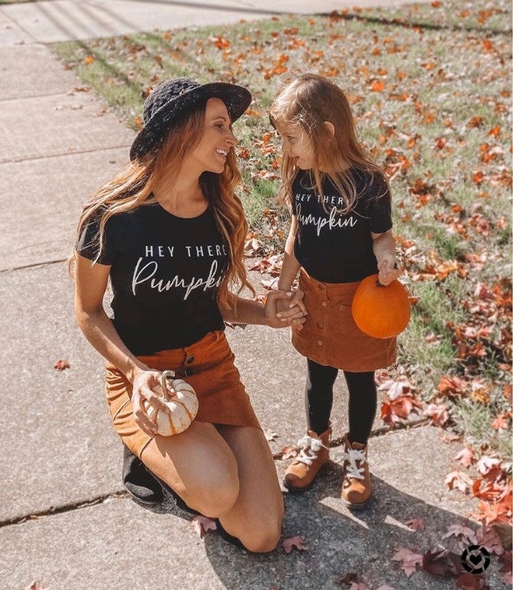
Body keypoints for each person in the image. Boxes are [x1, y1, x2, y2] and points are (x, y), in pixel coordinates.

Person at [71, 77, 306, 553]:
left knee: (261, 535)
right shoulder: (113, 217)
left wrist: (266, 313)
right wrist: (136, 375)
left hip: (213, 368)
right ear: (180, 130)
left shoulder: (220, 212)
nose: (232, 139)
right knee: (217, 490)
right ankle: (153, 452)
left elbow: (214, 301)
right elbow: (89, 311)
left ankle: (196, 450)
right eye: (220, 126)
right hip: (148, 378)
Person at [268, 73, 402, 508]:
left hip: (359, 302)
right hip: (314, 295)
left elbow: (382, 235)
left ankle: (357, 453)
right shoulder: (302, 179)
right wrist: (284, 287)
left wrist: (386, 257)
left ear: (325, 132)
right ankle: (317, 442)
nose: (285, 149)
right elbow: (297, 235)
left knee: (360, 380)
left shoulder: (369, 183)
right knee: (318, 374)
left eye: (292, 138)